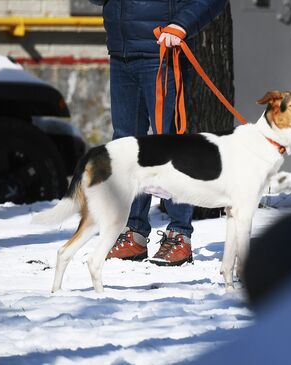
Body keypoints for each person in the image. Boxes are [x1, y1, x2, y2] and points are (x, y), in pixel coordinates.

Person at [89, 0, 227, 266]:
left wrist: (181, 25)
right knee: (127, 145)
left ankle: (180, 235)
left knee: (170, 144)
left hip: (163, 51)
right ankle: (134, 233)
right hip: (122, 52)